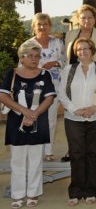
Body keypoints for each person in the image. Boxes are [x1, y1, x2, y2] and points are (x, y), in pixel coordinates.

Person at [0, 41, 56, 209]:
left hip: (38, 121)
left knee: (35, 160)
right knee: (17, 160)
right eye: (30, 56)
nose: (34, 59)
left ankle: (33, 193)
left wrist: (35, 113)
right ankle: (17, 195)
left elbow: (50, 97)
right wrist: (23, 110)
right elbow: (3, 96)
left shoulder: (45, 74)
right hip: (16, 121)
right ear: (21, 57)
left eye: (37, 56)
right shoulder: (12, 74)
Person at [58, 37, 96, 206]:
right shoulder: (68, 69)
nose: (83, 52)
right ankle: (75, 192)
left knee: (92, 154)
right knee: (76, 154)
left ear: (92, 50)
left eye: (86, 48)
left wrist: (93, 108)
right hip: (73, 118)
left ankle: (90, 191)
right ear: (76, 52)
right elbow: (61, 94)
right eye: (79, 49)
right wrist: (75, 109)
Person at [25, 13, 66, 161]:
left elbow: (64, 61)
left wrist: (55, 63)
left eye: (45, 24)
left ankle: (48, 150)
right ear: (34, 27)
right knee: (34, 116)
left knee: (51, 118)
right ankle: (35, 149)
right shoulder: (28, 45)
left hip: (54, 85)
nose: (42, 27)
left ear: (50, 26)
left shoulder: (57, 42)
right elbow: (21, 65)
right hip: (34, 86)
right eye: (39, 24)